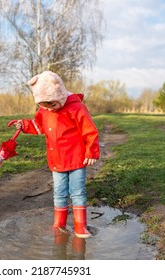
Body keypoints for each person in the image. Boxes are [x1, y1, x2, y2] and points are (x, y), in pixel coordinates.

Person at [11, 71, 99, 239]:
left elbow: (90, 130)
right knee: (59, 193)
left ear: (60, 96)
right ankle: (59, 224)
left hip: (76, 159)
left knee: (77, 192)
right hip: (57, 161)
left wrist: (92, 151)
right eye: (44, 105)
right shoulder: (44, 111)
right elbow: (38, 126)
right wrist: (23, 125)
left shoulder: (76, 107)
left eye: (51, 104)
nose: (48, 108)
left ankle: (80, 226)